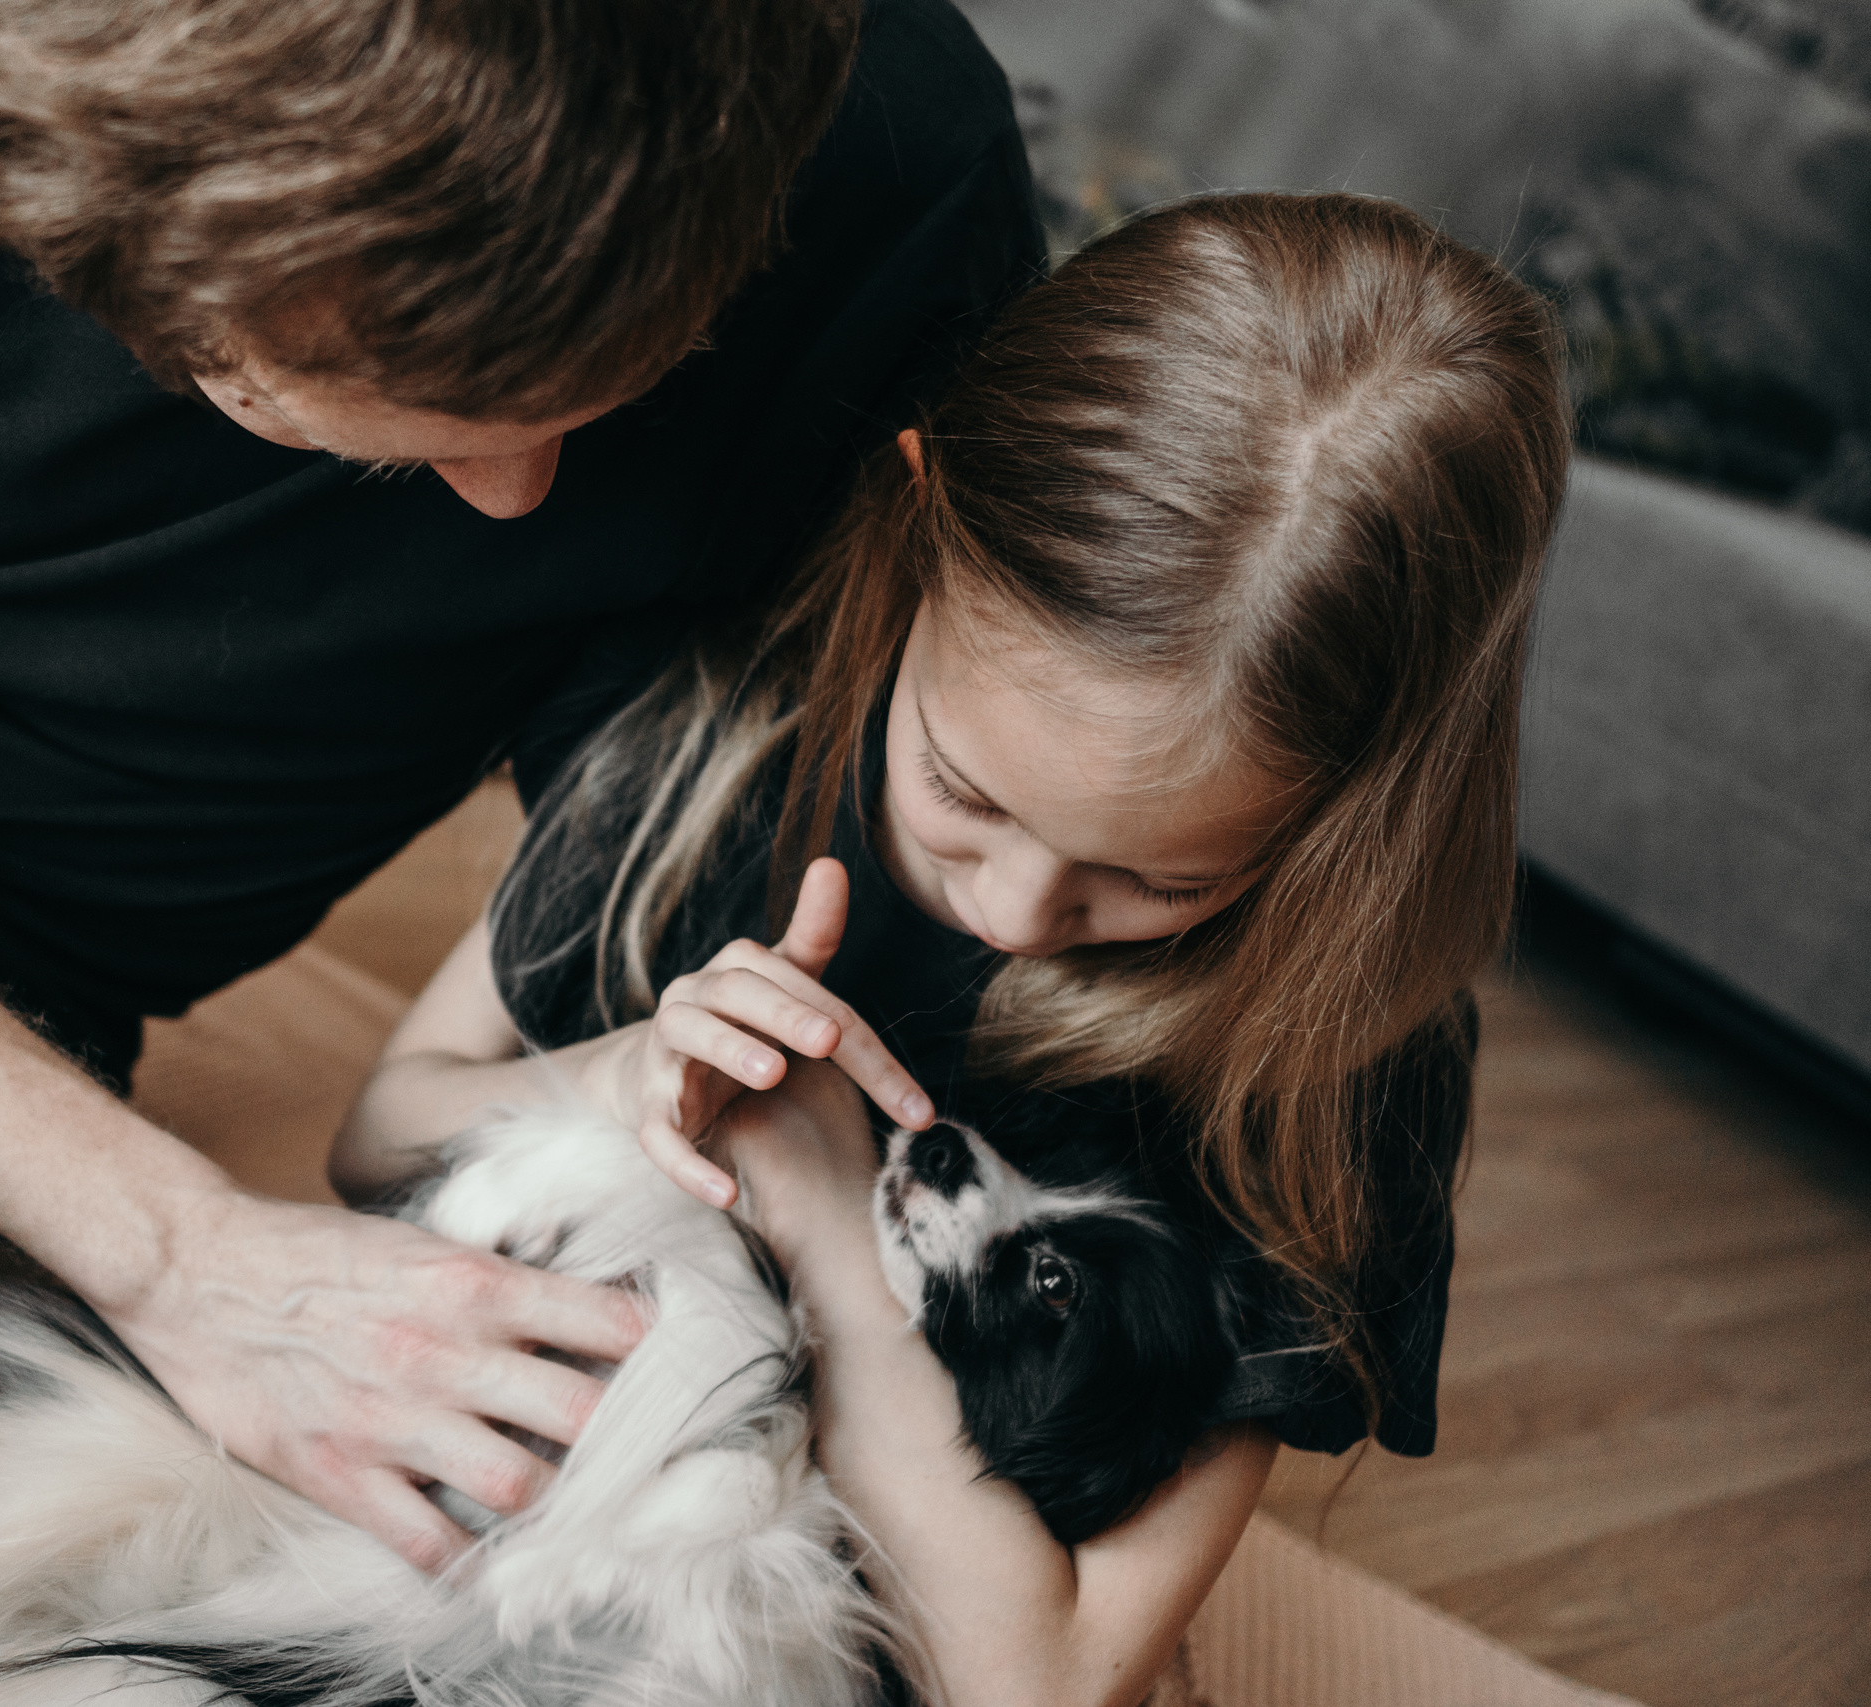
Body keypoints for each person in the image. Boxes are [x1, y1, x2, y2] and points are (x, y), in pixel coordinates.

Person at [0, 0, 1043, 1626]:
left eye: (618, 383)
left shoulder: (887, 161)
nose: (520, 502)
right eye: (391, 431)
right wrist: (177, 1252)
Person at [333, 191, 1571, 1706]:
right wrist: (626, 1072)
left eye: (1154, 880)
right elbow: (377, 1135)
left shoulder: (1333, 1062)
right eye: (964, 795)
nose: (1016, 913)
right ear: (920, 527)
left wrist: (818, 1205)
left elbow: (1044, 1684)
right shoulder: (733, 739)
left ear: (1361, 816)